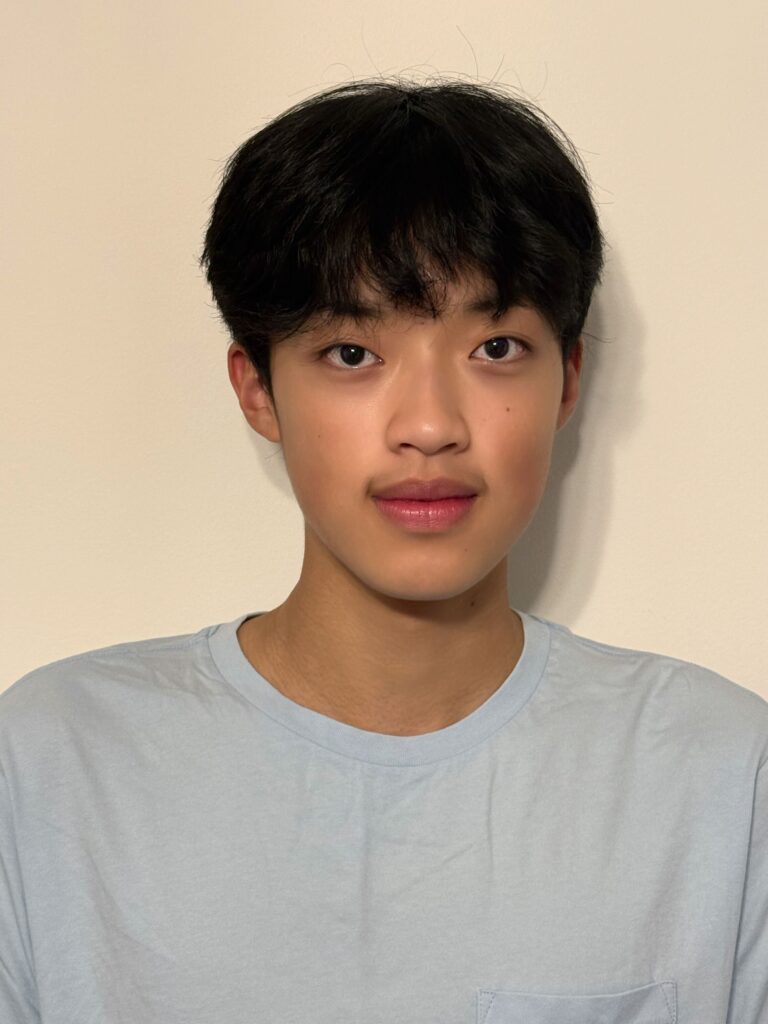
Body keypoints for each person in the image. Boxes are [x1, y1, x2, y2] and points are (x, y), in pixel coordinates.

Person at [1, 78, 765, 1024]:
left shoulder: (720, 775)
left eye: (495, 348)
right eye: (353, 355)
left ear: (569, 378)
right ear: (256, 389)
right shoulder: (53, 762)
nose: (431, 426)